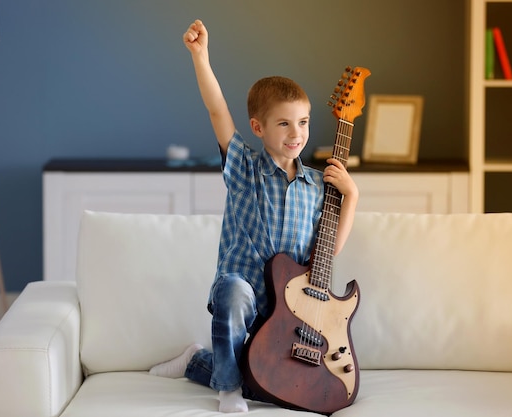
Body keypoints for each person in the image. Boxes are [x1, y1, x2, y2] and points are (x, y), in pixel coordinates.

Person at [149, 19, 359, 413]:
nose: (296, 133)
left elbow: (327, 253)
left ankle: (197, 360)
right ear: (258, 128)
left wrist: (353, 196)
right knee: (232, 291)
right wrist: (201, 57)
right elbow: (217, 109)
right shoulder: (245, 167)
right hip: (247, 290)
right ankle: (226, 388)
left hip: (291, 308)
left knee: (268, 384)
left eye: (303, 122)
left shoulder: (318, 186)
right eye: (284, 123)